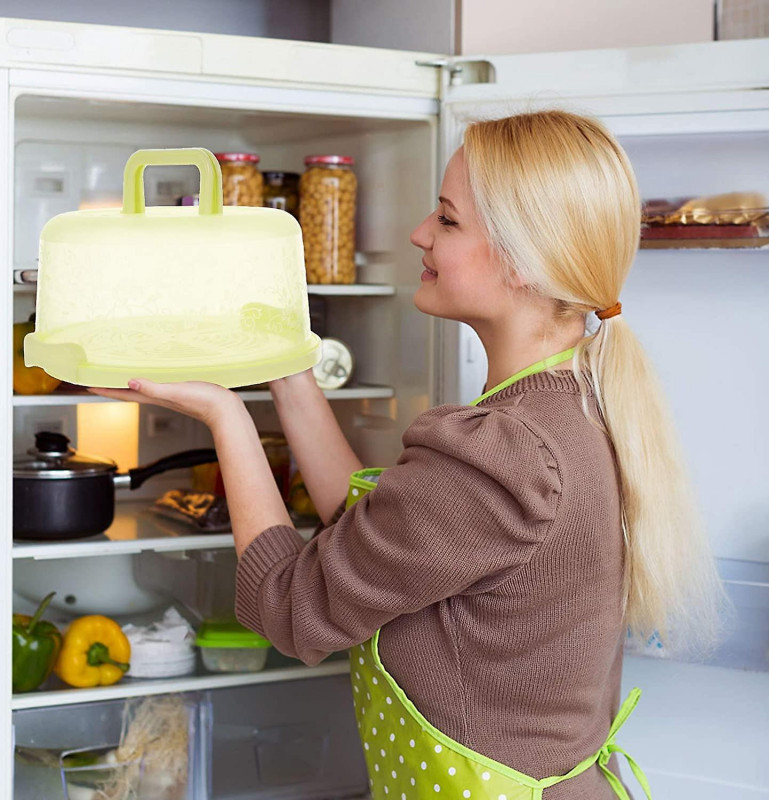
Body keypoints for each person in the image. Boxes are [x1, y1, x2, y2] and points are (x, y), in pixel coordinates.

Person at [90, 110, 724, 799]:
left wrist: (225, 413)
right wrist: (286, 366)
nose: (420, 233)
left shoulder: (505, 454)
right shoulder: (578, 404)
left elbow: (292, 607)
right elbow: (373, 536)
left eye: (447, 220)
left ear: (522, 261)